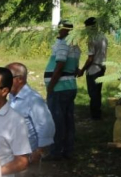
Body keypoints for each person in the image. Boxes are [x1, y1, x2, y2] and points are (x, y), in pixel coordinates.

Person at [7, 62, 56, 177]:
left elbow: (47, 126)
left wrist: (39, 152)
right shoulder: (13, 97)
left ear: (18, 79)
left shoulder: (33, 100)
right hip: (14, 156)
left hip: (27, 157)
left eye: (7, 77)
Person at [44, 20, 81, 160]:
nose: (58, 32)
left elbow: (60, 65)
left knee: (57, 121)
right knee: (68, 119)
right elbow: (75, 68)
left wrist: (51, 86)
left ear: (65, 31)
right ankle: (68, 150)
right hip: (70, 87)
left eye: (60, 29)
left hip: (60, 88)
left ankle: (55, 152)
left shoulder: (63, 44)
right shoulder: (75, 46)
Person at [77, 17, 108, 120]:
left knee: (93, 93)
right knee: (97, 92)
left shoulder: (92, 39)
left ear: (90, 27)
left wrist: (82, 70)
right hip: (102, 67)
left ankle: (95, 116)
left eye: (86, 27)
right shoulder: (103, 36)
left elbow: (90, 58)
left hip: (94, 69)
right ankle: (97, 113)